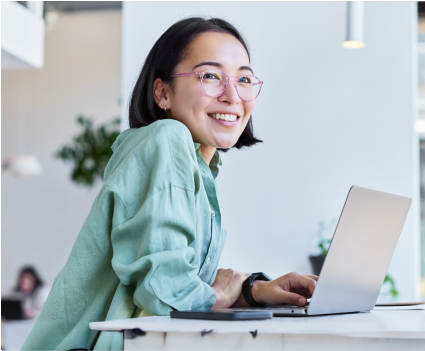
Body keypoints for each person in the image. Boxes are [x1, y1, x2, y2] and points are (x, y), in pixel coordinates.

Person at [21, 17, 317, 351]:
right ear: (162, 92)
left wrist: (252, 290)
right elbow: (169, 295)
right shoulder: (166, 138)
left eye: (244, 79)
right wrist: (223, 293)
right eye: (210, 76)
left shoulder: (202, 168)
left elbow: (180, 281)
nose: (233, 95)